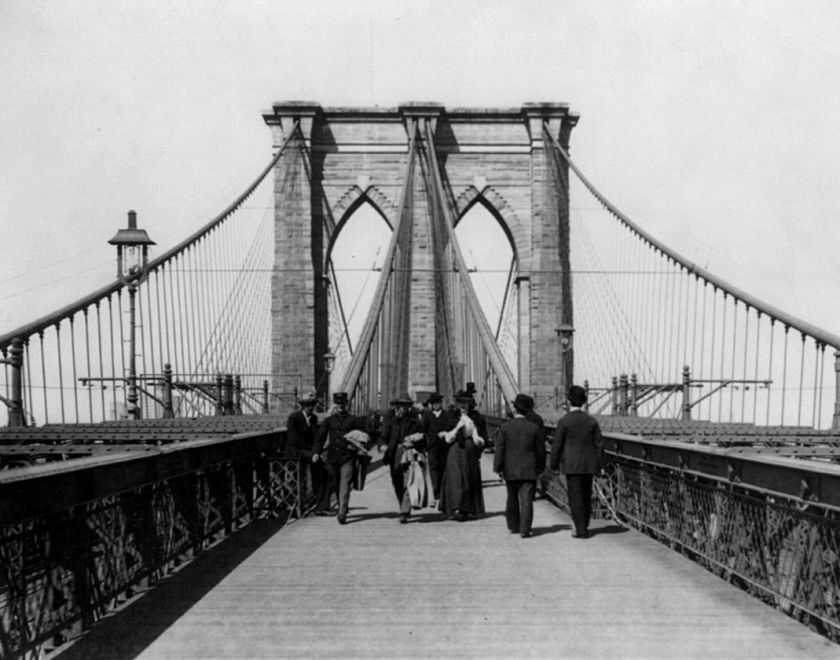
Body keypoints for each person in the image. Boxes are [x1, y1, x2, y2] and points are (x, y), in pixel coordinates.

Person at [550, 385, 604, 538]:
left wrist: (553, 465)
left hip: (571, 464)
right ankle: (584, 525)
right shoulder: (592, 421)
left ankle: (580, 529)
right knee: (586, 496)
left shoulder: (564, 421)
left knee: (575, 496)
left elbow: (557, 445)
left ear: (569, 401)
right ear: (584, 402)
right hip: (588, 465)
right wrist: (600, 466)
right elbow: (599, 445)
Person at [312, 392, 370, 524]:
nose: (340, 406)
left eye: (342, 403)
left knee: (345, 483)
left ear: (346, 404)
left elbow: (363, 437)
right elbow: (320, 437)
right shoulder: (329, 421)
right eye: (337, 404)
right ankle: (342, 505)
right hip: (333, 458)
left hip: (348, 457)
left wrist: (356, 446)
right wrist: (316, 452)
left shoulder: (353, 420)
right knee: (337, 484)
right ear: (335, 405)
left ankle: (342, 512)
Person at [494, 393, 546, 538]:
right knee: (527, 499)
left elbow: (500, 449)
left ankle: (513, 525)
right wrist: (540, 468)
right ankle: (525, 529)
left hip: (510, 468)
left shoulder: (505, 427)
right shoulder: (534, 428)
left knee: (512, 497)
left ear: (515, 410)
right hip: (529, 469)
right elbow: (540, 452)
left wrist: (498, 467)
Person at [438, 391, 486, 521]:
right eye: (460, 403)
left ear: (470, 404)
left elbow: (483, 436)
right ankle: (456, 507)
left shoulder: (477, 417)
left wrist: (479, 446)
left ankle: (467, 509)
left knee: (469, 479)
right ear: (457, 404)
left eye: (466, 403)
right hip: (454, 449)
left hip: (470, 451)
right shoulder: (451, 416)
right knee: (455, 478)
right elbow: (443, 433)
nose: (463, 405)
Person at [382, 394, 425, 523]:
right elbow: (383, 437)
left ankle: (404, 511)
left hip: (409, 454)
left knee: (408, 482)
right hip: (394, 454)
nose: (403, 408)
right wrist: (382, 445)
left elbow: (423, 439)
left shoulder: (416, 423)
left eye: (405, 406)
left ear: (409, 407)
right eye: (400, 406)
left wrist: (413, 443)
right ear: (397, 407)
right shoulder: (390, 422)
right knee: (397, 482)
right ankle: (403, 505)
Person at [285, 391, 330, 515]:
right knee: (298, 478)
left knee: (323, 471)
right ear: (303, 406)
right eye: (308, 405)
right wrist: (312, 454)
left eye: (312, 405)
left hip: (308, 453)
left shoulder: (313, 418)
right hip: (295, 452)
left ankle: (321, 506)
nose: (311, 408)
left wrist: (317, 452)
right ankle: (296, 506)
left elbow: (316, 437)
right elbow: (294, 440)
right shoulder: (294, 418)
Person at [421, 392, 452, 505]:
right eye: (433, 403)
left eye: (438, 403)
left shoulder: (446, 414)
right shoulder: (427, 415)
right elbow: (423, 430)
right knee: (433, 467)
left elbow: (450, 427)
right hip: (432, 446)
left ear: (441, 403)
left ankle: (442, 489)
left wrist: (446, 433)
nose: (436, 405)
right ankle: (435, 490)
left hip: (444, 446)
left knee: (443, 467)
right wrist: (424, 445)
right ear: (431, 404)